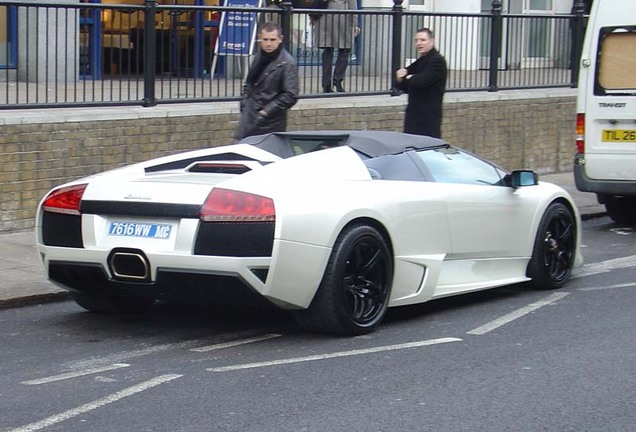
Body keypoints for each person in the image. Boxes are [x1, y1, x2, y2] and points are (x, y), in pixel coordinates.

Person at [234, 22, 299, 141]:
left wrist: (266, 111)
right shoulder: (259, 57)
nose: (269, 43)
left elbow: (290, 95)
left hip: (271, 122)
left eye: (272, 39)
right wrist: (244, 102)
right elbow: (249, 82)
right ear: (260, 38)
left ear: (280, 39)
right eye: (265, 39)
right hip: (250, 114)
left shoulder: (287, 63)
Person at [395, 28, 447, 138]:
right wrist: (403, 79)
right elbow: (405, 84)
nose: (419, 43)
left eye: (423, 40)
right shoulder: (422, 60)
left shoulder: (437, 61)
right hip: (414, 115)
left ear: (431, 41)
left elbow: (420, 82)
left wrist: (408, 78)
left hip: (428, 118)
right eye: (416, 40)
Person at [311, 0, 360, 93]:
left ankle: (326, 84)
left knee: (328, 51)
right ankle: (337, 80)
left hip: (323, 17)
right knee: (345, 49)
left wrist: (313, 18)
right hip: (341, 18)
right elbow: (352, 5)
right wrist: (354, 23)